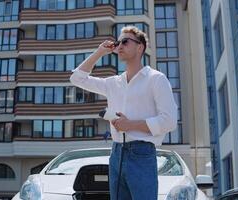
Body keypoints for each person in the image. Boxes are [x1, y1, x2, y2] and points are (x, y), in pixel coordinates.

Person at [70, 26, 177, 200]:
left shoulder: (156, 79)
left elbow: (170, 121)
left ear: (140, 47)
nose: (119, 46)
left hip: (142, 153)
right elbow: (76, 78)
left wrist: (131, 125)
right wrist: (99, 52)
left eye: (125, 42)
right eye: (118, 42)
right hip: (116, 153)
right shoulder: (113, 83)